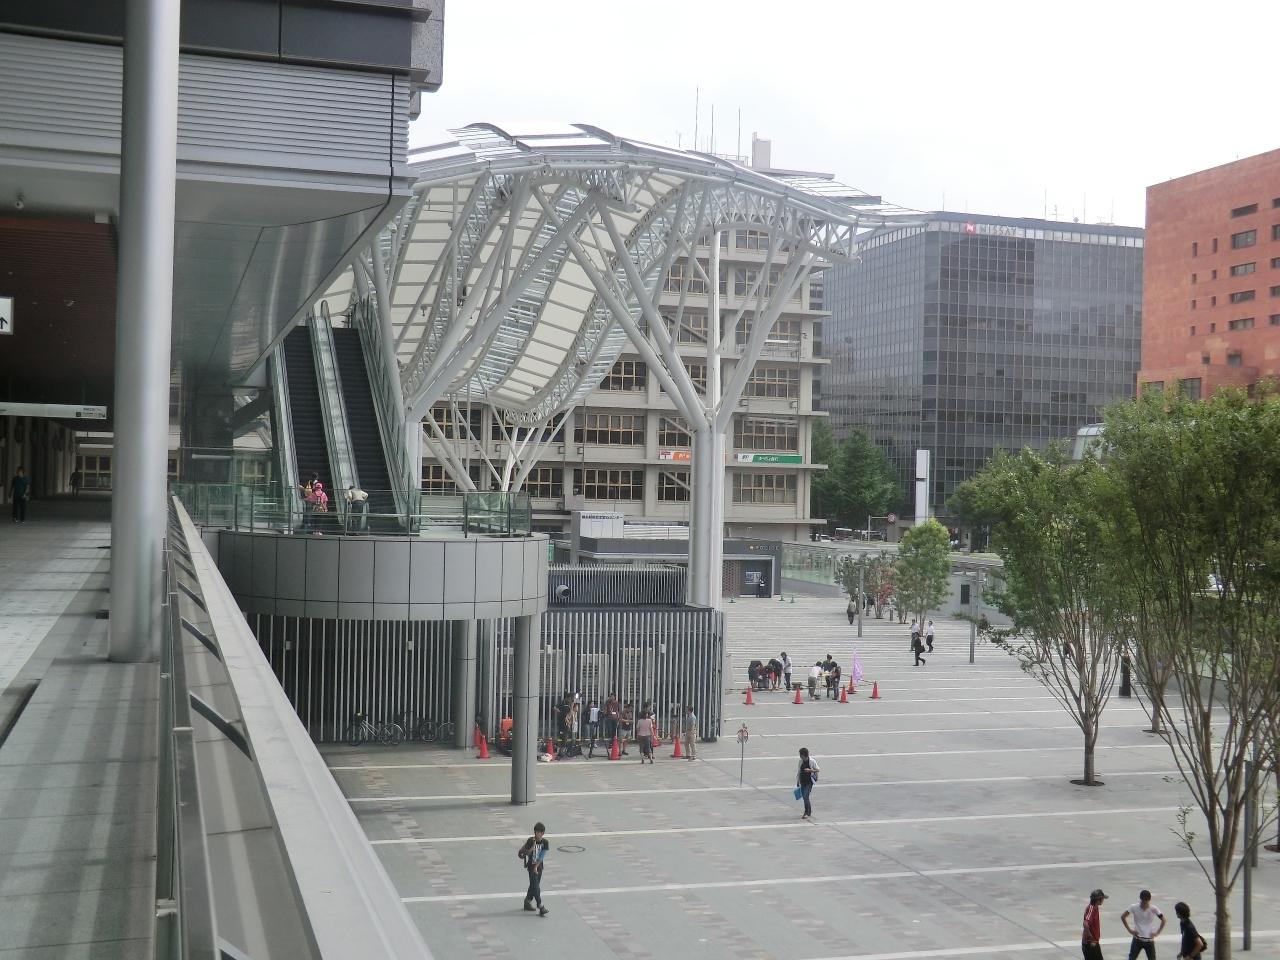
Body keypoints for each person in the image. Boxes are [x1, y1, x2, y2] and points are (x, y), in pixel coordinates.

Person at [1121, 889, 1165, 960]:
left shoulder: (1154, 908)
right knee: (1132, 958)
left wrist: (1157, 933)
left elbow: (1163, 920)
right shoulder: (1133, 907)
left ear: (1149, 900)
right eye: (1143, 901)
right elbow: (1123, 917)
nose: (1144, 903)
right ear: (1140, 899)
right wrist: (1130, 930)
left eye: (1146, 901)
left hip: (1149, 940)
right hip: (1137, 938)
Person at [517, 822, 550, 916]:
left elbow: (541, 856)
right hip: (531, 867)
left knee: (534, 885)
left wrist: (536, 867)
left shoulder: (545, 842)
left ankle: (527, 901)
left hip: (539, 867)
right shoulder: (531, 840)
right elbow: (526, 853)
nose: (537, 834)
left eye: (539, 832)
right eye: (536, 832)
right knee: (536, 887)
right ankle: (541, 906)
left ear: (542, 833)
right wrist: (532, 846)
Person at [1082, 889, 1107, 960]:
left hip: (1094, 942)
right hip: (1090, 943)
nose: (1103, 900)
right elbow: (1086, 924)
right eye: (1102, 899)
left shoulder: (1095, 907)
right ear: (1098, 900)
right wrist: (1091, 938)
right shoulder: (1091, 908)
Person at [797, 747, 818, 820]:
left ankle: (807, 812)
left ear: (803, 755)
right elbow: (799, 771)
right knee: (804, 797)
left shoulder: (812, 761)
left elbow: (818, 769)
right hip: (802, 781)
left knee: (805, 795)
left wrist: (810, 770)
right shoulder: (800, 761)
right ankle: (809, 810)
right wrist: (798, 781)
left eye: (800, 755)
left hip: (809, 781)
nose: (800, 756)